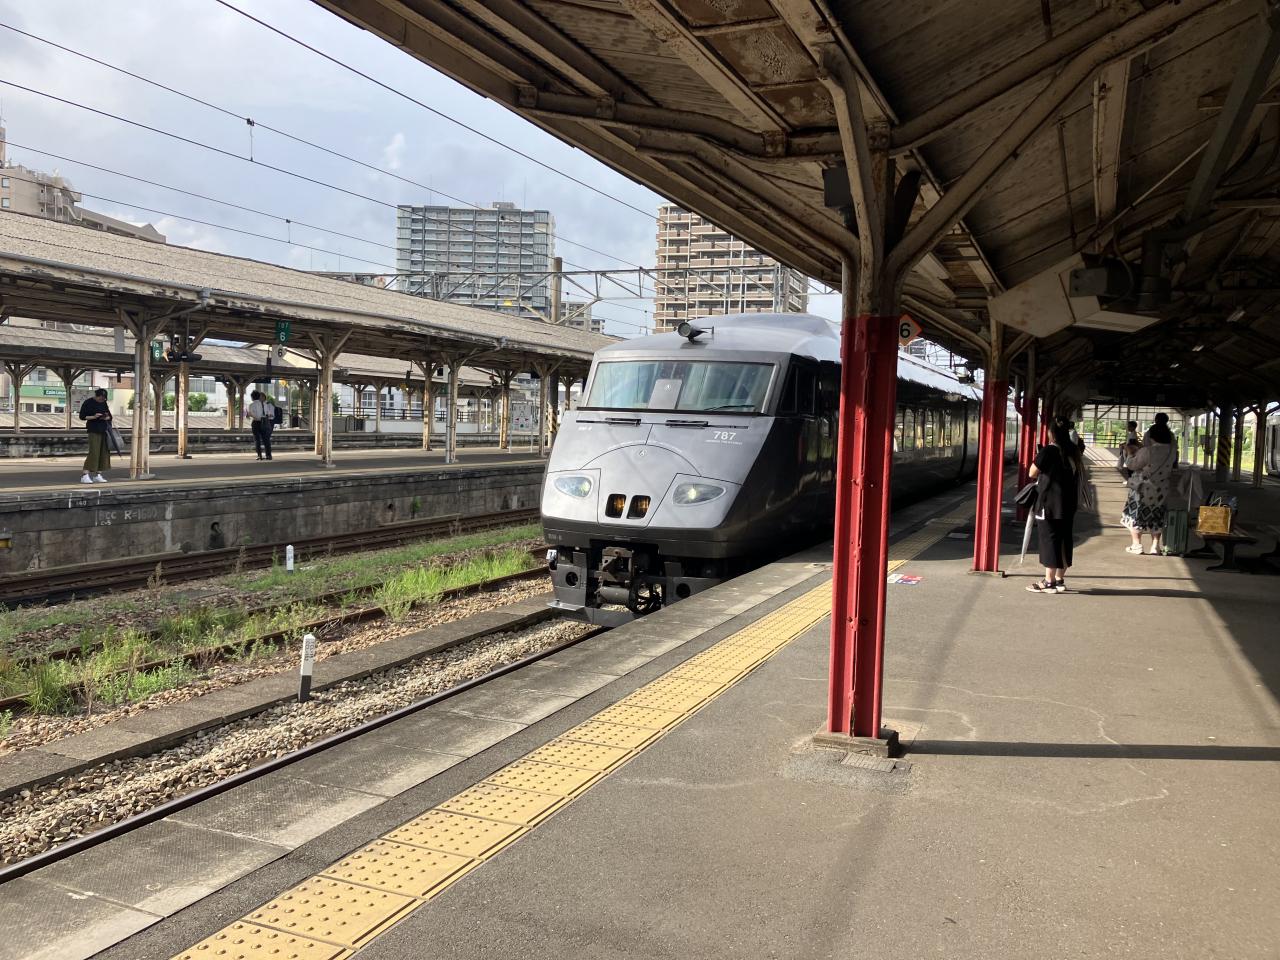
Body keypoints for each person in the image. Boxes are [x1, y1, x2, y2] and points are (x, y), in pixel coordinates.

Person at [1027, 422, 1082, 593]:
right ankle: (1059, 580)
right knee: (1064, 540)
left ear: (1052, 434)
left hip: (1049, 503)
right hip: (1068, 503)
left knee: (1049, 540)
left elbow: (1032, 473)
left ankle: (1048, 582)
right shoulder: (1073, 451)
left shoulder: (1049, 450)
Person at [1122, 412, 1176, 554]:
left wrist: (1130, 453)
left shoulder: (1148, 451)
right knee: (1157, 515)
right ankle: (1155, 547)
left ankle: (1137, 545)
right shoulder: (1171, 450)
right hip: (1162, 489)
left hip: (1144, 489)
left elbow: (1132, 465)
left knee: (1136, 514)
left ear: (1151, 437)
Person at [78, 387, 113, 484]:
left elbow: (110, 416)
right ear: (96, 396)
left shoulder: (104, 403)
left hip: (104, 430)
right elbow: (82, 416)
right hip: (93, 430)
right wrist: (94, 417)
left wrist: (106, 417)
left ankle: (98, 474)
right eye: (100, 398)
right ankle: (85, 475)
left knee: (103, 453)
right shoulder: (88, 402)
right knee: (94, 452)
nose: (102, 400)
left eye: (104, 398)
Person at [247, 390, 275, 461]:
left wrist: (251, 415)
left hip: (256, 423)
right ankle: (268, 455)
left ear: (252, 397)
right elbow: (268, 414)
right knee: (266, 439)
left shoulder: (251, 405)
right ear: (259, 396)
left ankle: (259, 455)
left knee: (257, 440)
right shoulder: (264, 404)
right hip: (265, 422)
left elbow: (251, 414)